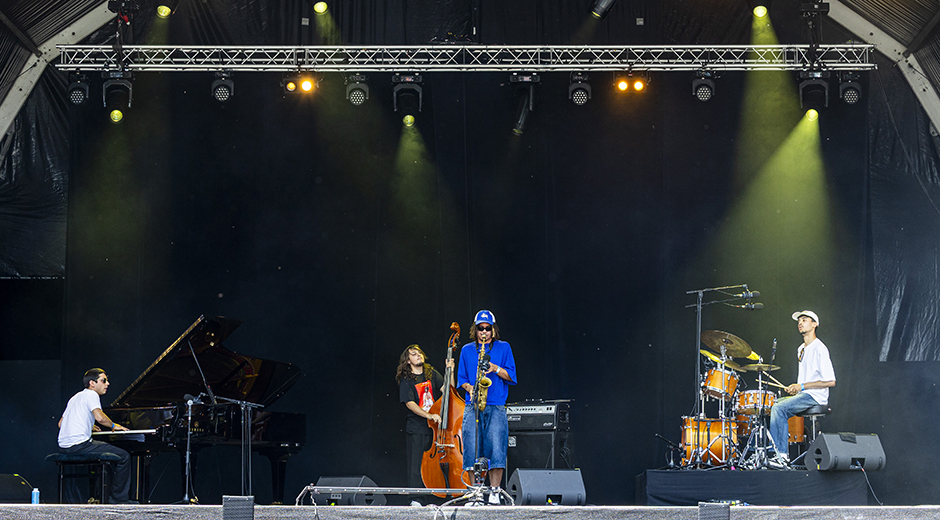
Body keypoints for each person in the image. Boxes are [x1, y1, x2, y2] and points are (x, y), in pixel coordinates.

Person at [456, 310, 516, 504]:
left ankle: (495, 493)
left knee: (496, 449)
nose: (484, 332)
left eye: (487, 328)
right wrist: (470, 388)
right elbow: (461, 380)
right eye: (480, 328)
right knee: (471, 450)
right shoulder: (466, 350)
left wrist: (495, 368)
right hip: (472, 406)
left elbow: (512, 377)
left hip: (496, 405)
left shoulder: (504, 347)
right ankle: (476, 493)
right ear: (475, 330)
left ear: (493, 329)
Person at [768, 310, 836, 468]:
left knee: (779, 408)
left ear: (814, 324)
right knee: (775, 404)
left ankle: (781, 456)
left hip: (815, 396)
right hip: (804, 394)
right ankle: (775, 452)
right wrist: (796, 389)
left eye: (804, 320)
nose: (800, 323)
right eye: (799, 320)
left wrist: (802, 386)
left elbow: (831, 381)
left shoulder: (820, 348)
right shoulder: (801, 349)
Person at [57, 368, 132, 504]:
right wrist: (114, 426)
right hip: (80, 445)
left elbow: (61, 424)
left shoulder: (75, 397)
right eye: (104, 380)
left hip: (64, 447)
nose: (107, 383)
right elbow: (100, 418)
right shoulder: (92, 395)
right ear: (92, 383)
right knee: (124, 456)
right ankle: (118, 500)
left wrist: (88, 425)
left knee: (110, 454)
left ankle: (101, 497)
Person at [397, 344, 453, 500]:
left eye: (419, 353)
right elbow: (410, 403)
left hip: (435, 428)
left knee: (434, 464)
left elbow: (449, 391)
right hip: (417, 427)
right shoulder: (406, 379)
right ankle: (416, 499)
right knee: (416, 465)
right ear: (408, 361)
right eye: (414, 354)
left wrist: (450, 371)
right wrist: (428, 415)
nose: (418, 355)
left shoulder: (431, 373)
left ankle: (436, 497)